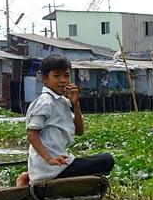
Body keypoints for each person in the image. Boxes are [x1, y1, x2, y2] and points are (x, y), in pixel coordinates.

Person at [23, 54, 114, 185]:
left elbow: (79, 131)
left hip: (60, 164)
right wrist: (49, 159)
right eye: (56, 76)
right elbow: (31, 135)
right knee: (107, 160)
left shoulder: (62, 102)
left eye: (66, 75)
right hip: (51, 168)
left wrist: (75, 104)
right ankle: (28, 176)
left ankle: (28, 176)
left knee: (103, 160)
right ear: (44, 79)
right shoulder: (45, 102)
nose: (63, 80)